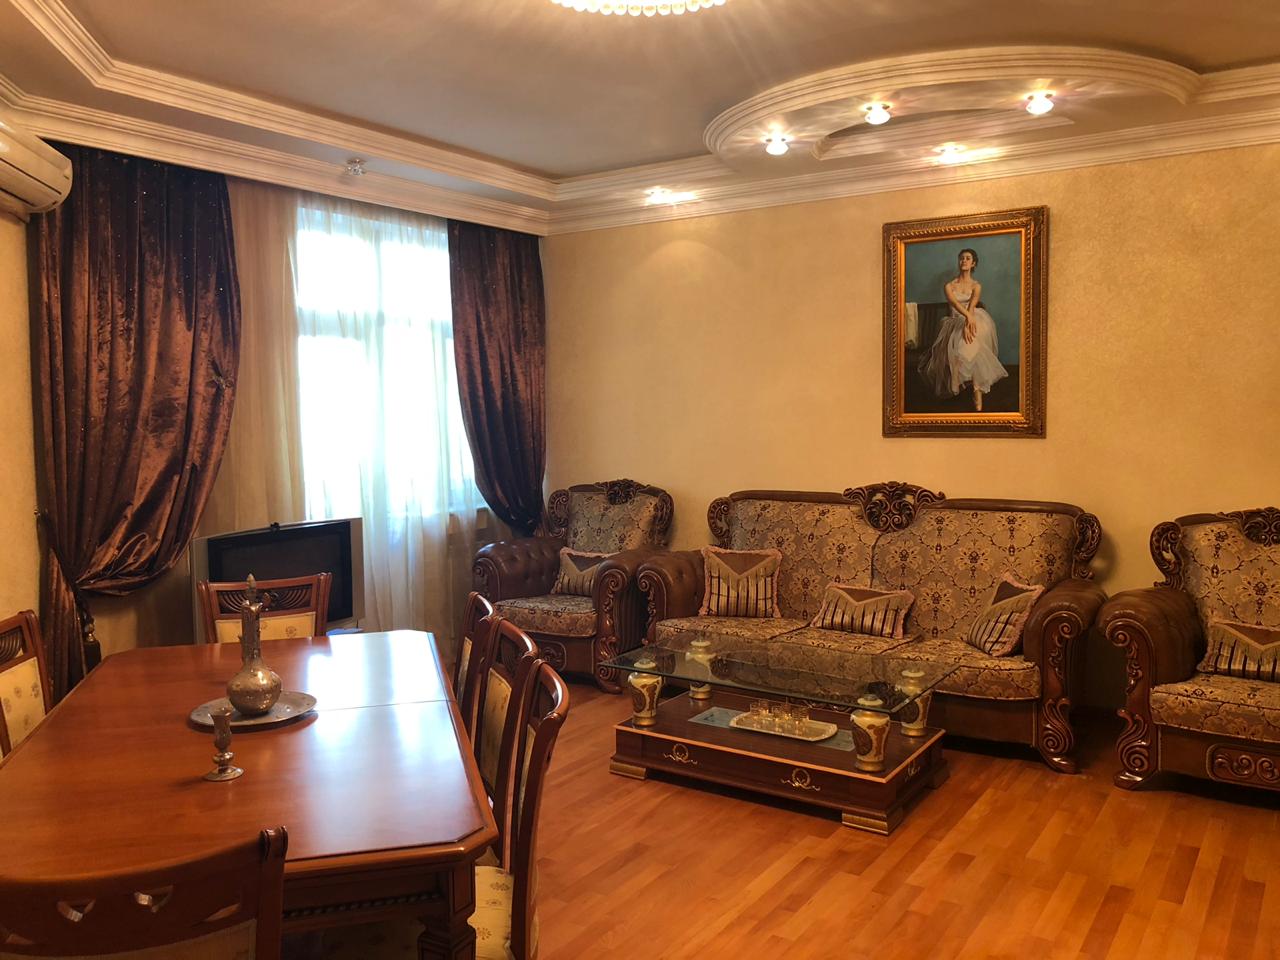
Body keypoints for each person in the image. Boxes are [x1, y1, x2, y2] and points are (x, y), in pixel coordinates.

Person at [917, 248, 1008, 411]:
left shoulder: (976, 286)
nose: (964, 261)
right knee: (967, 339)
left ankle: (975, 389)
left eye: (967, 258)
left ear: (973, 263)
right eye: (961, 258)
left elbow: (972, 306)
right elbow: (955, 304)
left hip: (973, 318)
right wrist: (967, 320)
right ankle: (970, 387)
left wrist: (968, 322)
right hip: (955, 321)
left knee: (972, 337)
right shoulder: (949, 286)